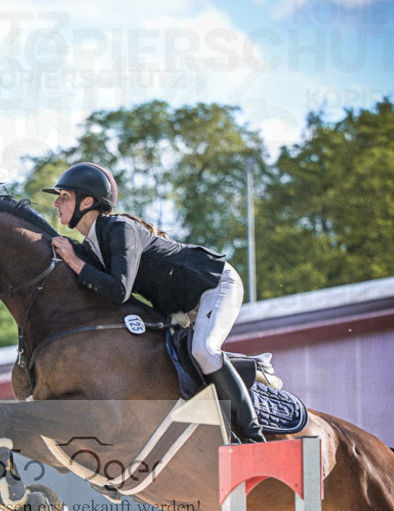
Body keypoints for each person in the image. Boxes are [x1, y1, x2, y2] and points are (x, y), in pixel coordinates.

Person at [43, 162, 265, 443]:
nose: (56, 203)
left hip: (214, 284)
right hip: (181, 306)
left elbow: (119, 290)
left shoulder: (119, 228)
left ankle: (254, 437)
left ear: (87, 201)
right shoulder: (93, 246)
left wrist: (73, 260)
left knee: (205, 351)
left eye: (64, 196)